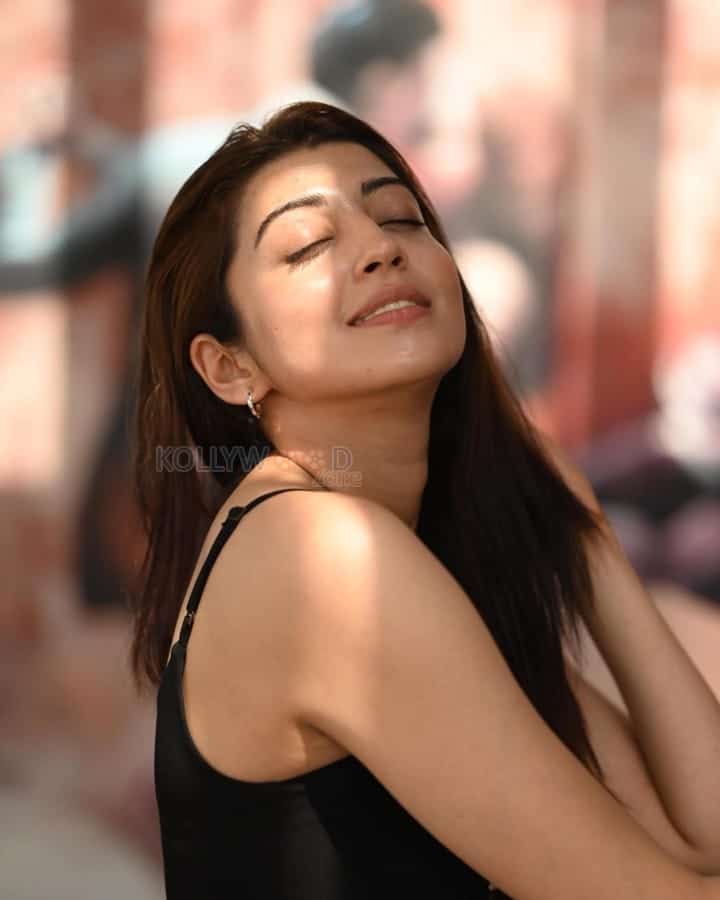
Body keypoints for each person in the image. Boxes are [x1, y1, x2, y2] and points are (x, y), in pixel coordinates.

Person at [129, 101, 720, 899]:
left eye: (402, 219)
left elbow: (702, 844)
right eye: (308, 244)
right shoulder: (319, 555)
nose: (380, 249)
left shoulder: (415, 557)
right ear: (230, 368)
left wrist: (581, 530)